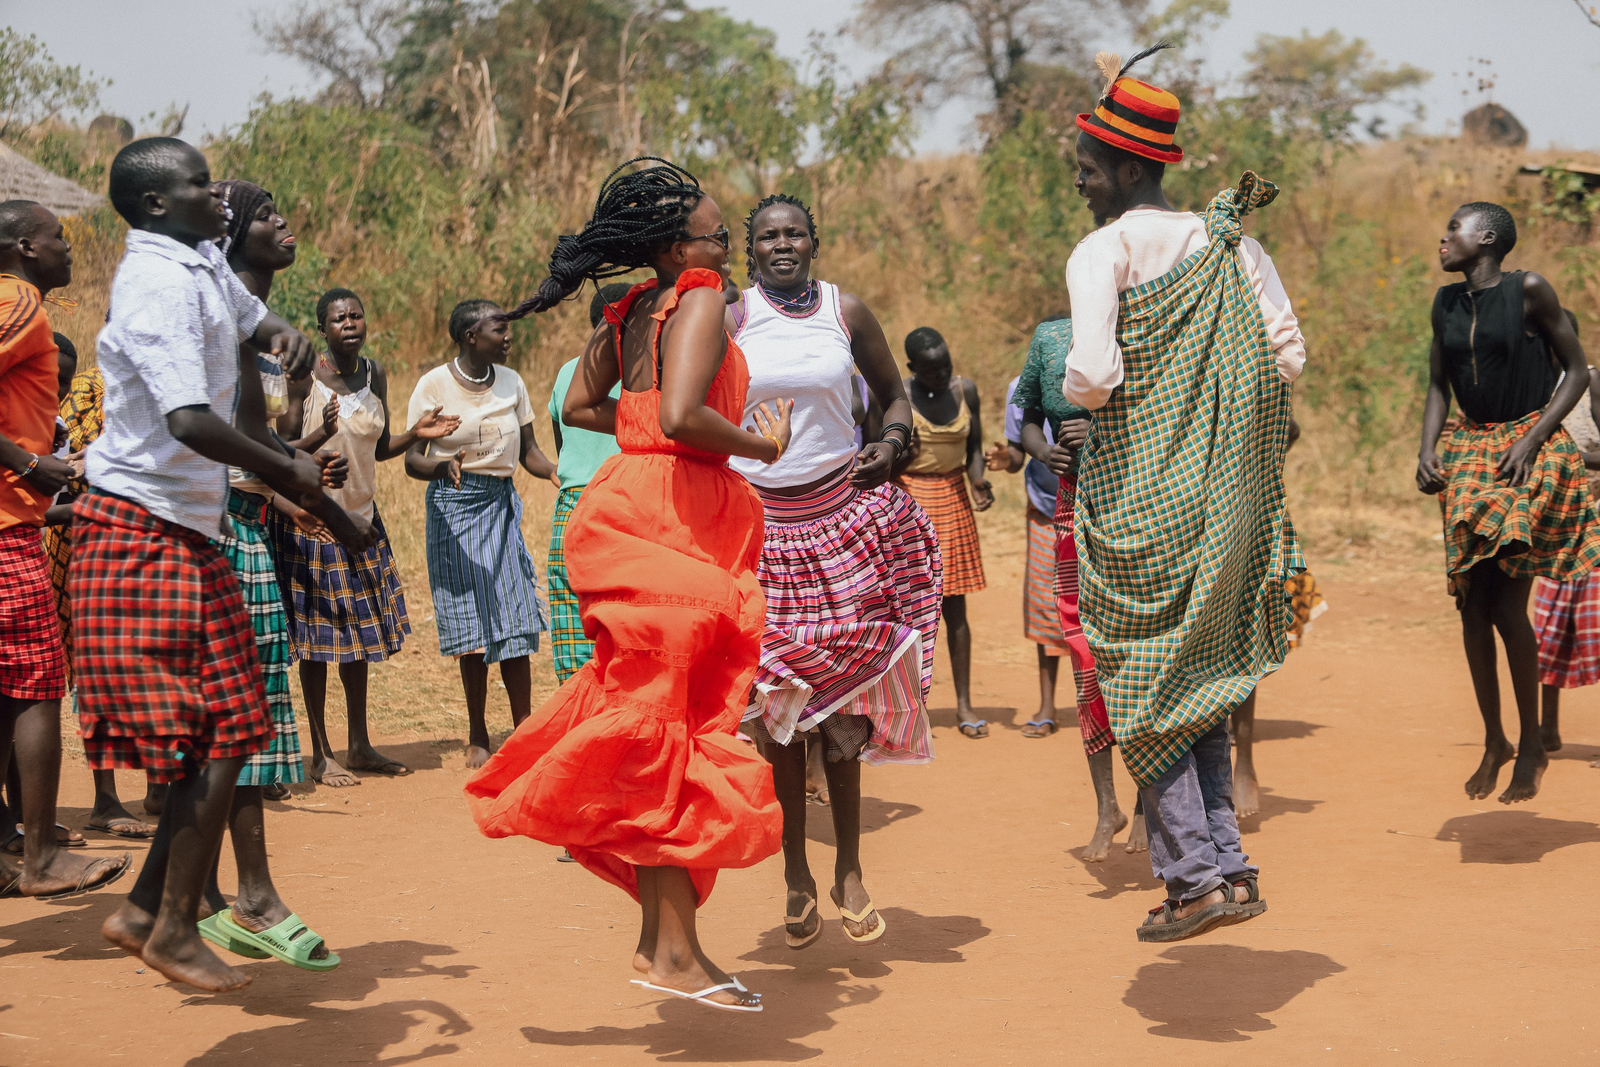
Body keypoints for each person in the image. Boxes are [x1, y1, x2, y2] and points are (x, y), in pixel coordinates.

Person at [465, 157, 787, 1012]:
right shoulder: (703, 295)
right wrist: (763, 445)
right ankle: (674, 955)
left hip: (628, 505)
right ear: (679, 246)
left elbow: (580, 405)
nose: (729, 247)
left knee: (658, 722)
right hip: (676, 515)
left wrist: (647, 424)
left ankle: (661, 945)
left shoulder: (634, 308)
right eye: (719, 234)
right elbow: (683, 415)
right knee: (673, 729)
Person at [82, 138, 370, 991]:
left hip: (188, 526)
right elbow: (187, 420)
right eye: (204, 187)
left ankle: (149, 912)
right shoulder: (157, 287)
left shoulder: (199, 258)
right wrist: (293, 476)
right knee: (210, 729)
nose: (225, 196)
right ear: (160, 205)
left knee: (235, 722)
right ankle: (171, 922)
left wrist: (281, 330)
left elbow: (251, 317)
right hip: (143, 527)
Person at [1064, 48, 1303, 940]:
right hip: (1228, 505)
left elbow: (1090, 373)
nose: (1084, 186)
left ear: (1127, 168)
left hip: (1141, 503)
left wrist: (1116, 399)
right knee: (1198, 680)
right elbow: (1288, 356)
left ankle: (1194, 879)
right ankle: (1229, 868)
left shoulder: (1105, 249)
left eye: (1089, 171)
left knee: (1141, 689)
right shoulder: (1236, 244)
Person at [732, 193, 940, 948]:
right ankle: (795, 869)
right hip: (762, 536)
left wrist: (888, 442)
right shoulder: (730, 318)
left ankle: (849, 866)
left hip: (845, 526)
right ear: (749, 250)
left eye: (793, 233)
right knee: (782, 720)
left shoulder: (844, 312)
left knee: (846, 714)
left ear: (812, 241)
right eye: (766, 236)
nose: (780, 244)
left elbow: (894, 399)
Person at [185, 178, 340, 970]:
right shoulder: (233, 321)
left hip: (244, 524)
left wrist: (296, 459)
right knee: (239, 716)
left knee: (224, 719)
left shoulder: (259, 326)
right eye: (268, 216)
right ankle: (247, 895)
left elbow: (264, 433)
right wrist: (295, 472)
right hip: (224, 532)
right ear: (235, 234)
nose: (285, 225)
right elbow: (240, 436)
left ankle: (205, 898)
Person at [1417, 203, 1599, 803]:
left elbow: (1575, 372)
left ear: (1487, 239)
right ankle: (1495, 740)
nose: (1444, 238)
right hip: (1469, 451)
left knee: (1508, 605)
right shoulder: (1445, 304)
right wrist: (1426, 451)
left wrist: (1532, 438)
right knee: (1472, 606)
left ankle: (1531, 748)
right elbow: (1438, 385)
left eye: (1454, 229)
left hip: (1525, 449)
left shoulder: (1529, 290)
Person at [270, 286, 457, 785]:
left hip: (362, 518)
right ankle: (320, 752)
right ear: (322, 328)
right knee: (315, 640)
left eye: (356, 315)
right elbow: (281, 449)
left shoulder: (375, 373)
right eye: (339, 318)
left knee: (355, 637)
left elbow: (379, 448)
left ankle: (358, 743)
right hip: (313, 521)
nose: (350, 324)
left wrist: (418, 433)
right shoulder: (304, 379)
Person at [0, 199, 130, 900]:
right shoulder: (20, 303)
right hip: (6, 530)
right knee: (38, 684)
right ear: (25, 247)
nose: (69, 248)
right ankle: (42, 849)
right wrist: (27, 463)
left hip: (13, 519)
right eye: (57, 238)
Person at [990, 314, 1126, 862]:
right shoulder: (1048, 338)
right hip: (1068, 509)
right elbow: (1026, 419)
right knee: (1082, 650)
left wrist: (1104, 432)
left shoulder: (1143, 328)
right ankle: (1107, 805)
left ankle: (1148, 807)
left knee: (1138, 654)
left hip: (1136, 506)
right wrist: (1046, 452)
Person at [405, 298, 555, 769]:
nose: (509, 336)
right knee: (469, 620)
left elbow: (528, 450)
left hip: (499, 502)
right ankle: (477, 733)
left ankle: (525, 728)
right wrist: (441, 466)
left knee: (515, 617)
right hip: (453, 505)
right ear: (471, 336)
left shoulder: (511, 382)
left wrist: (554, 470)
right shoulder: (433, 384)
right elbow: (412, 459)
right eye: (499, 329)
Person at [896, 327, 992, 737]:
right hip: (911, 500)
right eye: (932, 371)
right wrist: (902, 458)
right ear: (913, 369)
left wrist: (978, 480)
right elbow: (878, 449)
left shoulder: (965, 391)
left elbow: (974, 446)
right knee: (909, 612)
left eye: (947, 366)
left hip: (954, 500)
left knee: (955, 608)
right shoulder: (898, 396)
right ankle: (911, 707)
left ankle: (965, 706)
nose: (942, 375)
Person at [545, 284, 627, 685]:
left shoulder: (567, 372)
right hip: (627, 504)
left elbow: (562, 446)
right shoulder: (647, 376)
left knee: (571, 615)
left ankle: (578, 714)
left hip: (573, 503)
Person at [1531, 318, 1599, 757]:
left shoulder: (1591, 382)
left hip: (1596, 527)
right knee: (1549, 631)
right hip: (1555, 529)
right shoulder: (1531, 388)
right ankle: (1547, 729)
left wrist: (1572, 458)